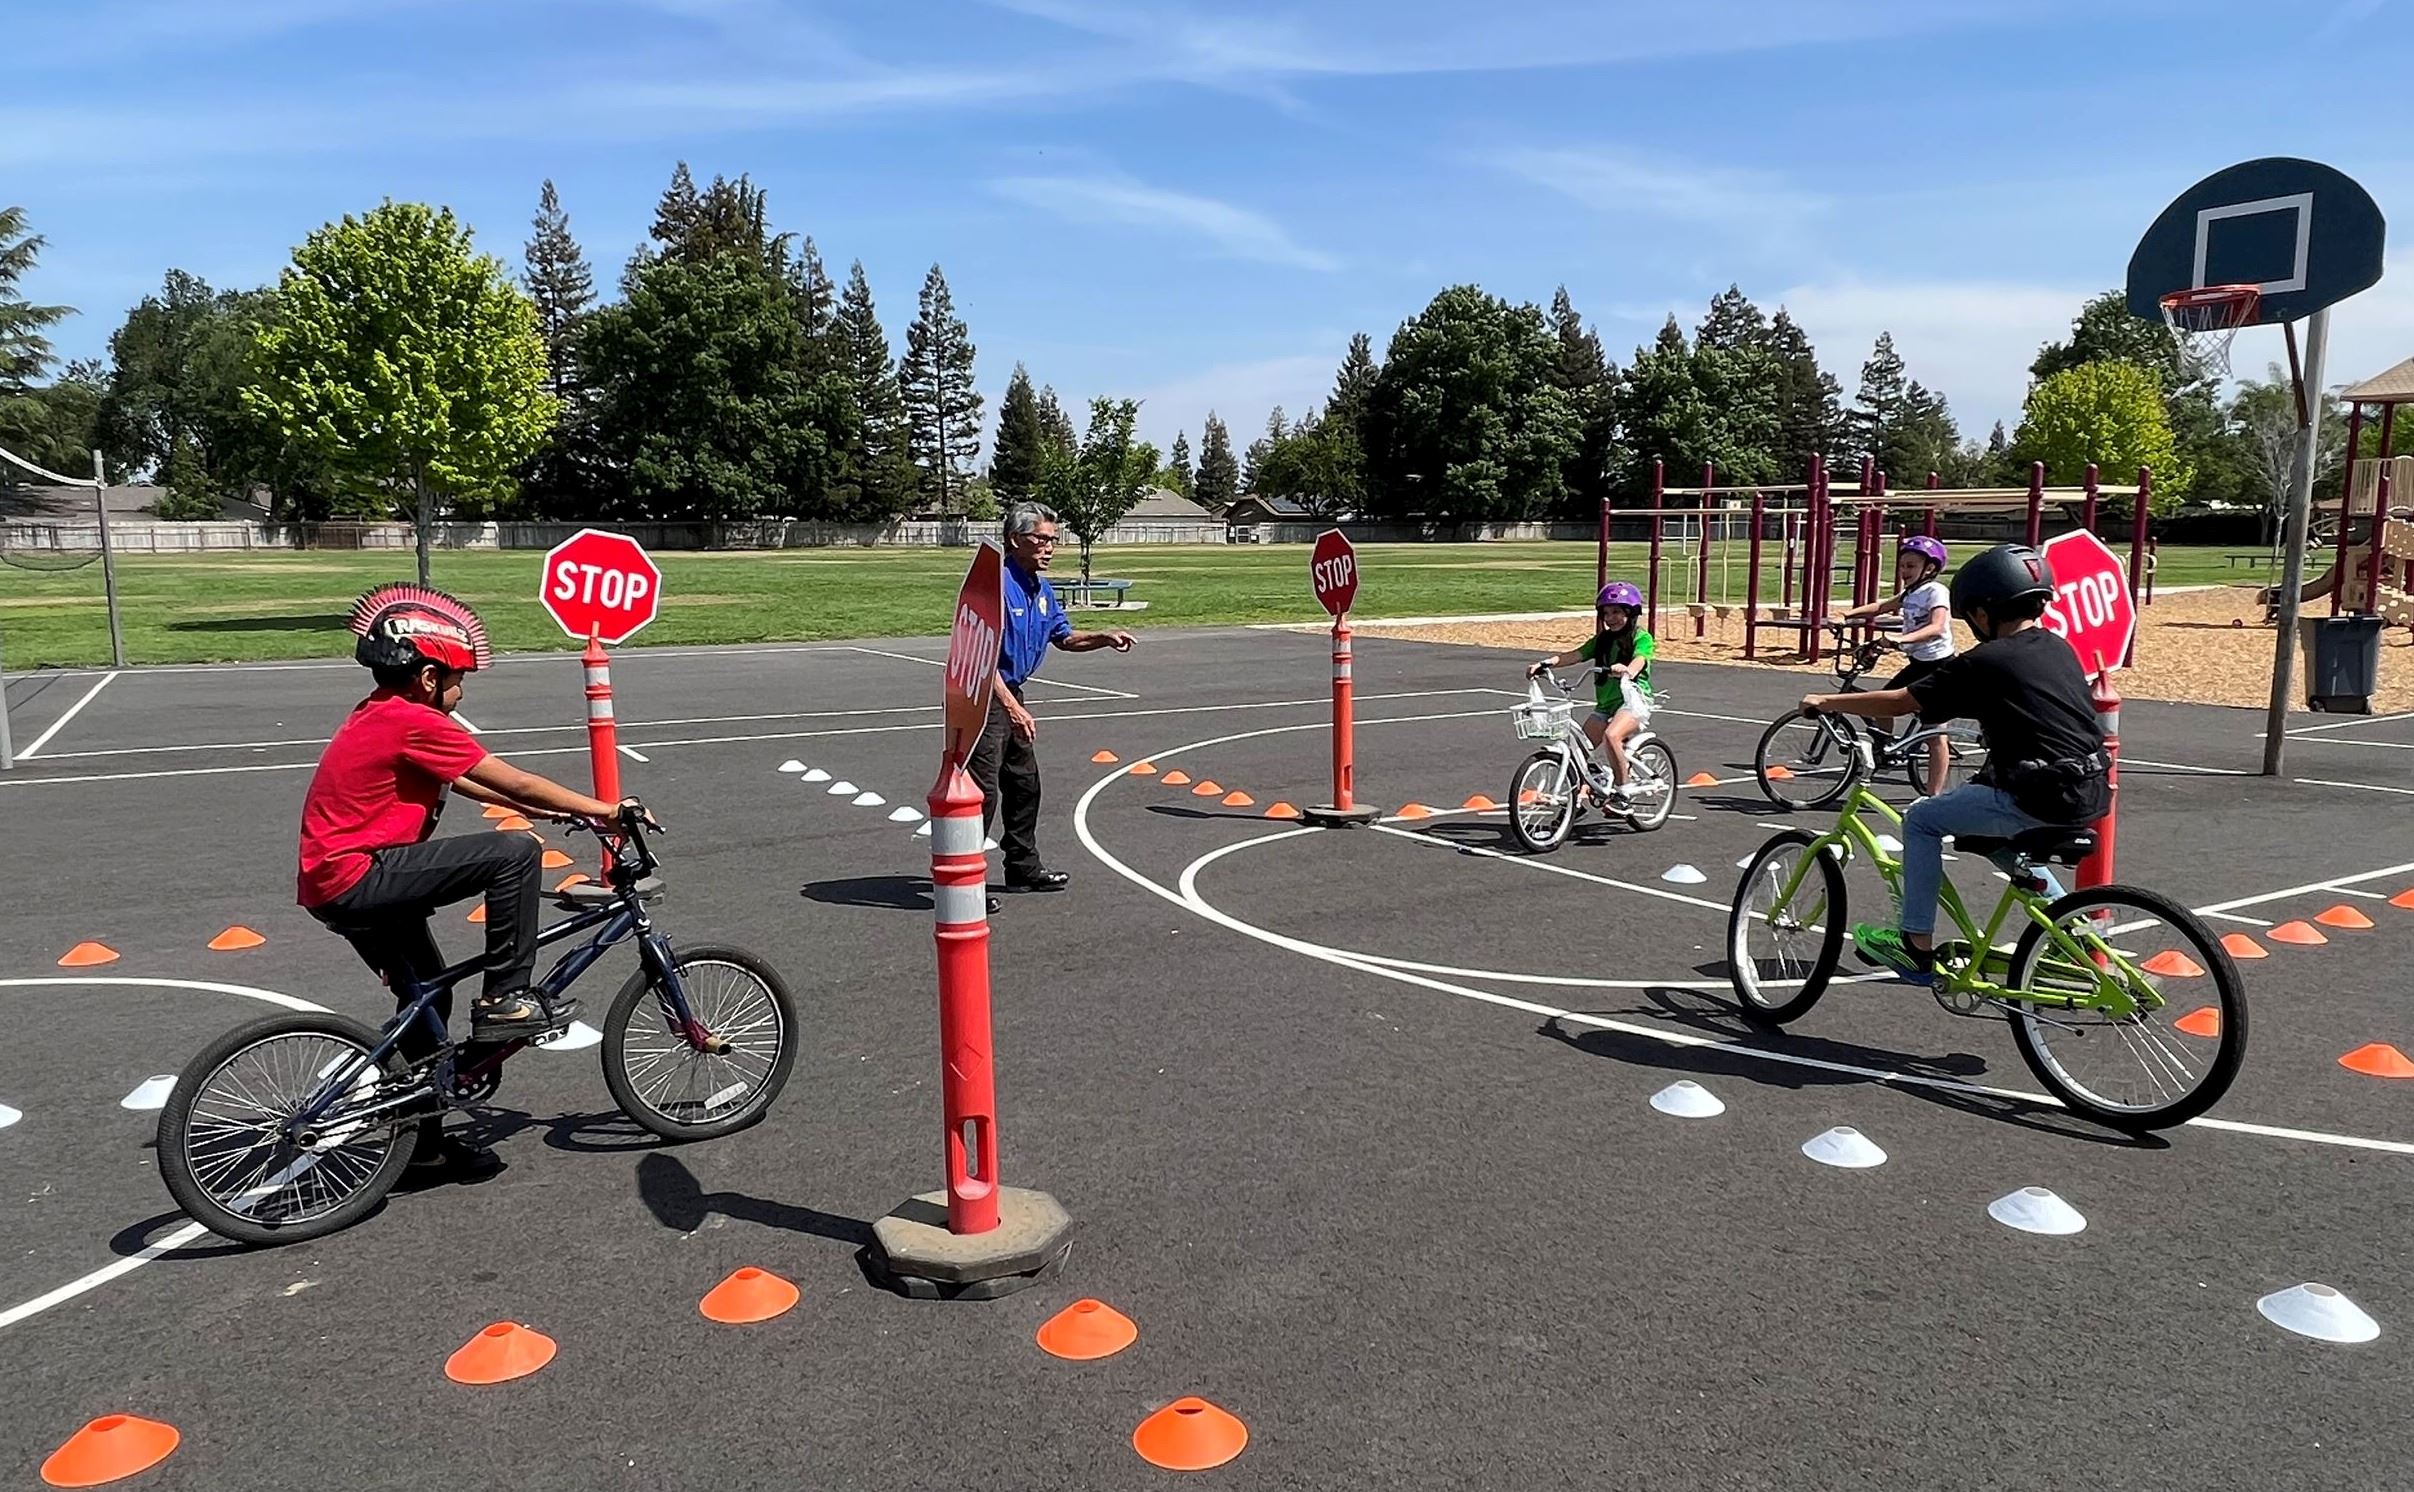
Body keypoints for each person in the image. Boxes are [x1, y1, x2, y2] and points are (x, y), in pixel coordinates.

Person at [298, 585, 648, 1174]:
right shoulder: (413, 720)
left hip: (337, 880)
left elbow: (464, 782)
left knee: (428, 999)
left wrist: (555, 812)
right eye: (461, 678)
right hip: (359, 874)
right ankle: (507, 998)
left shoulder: (381, 712)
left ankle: (424, 1147)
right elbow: (507, 778)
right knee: (511, 853)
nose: (464, 690)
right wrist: (603, 809)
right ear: (429, 677)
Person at [1797, 543, 2109, 988]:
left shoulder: (1987, 659)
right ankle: (2069, 930)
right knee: (1992, 832)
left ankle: (1914, 945)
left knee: (1923, 818)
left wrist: (1826, 700)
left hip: (2039, 794)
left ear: (1984, 612)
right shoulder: (2057, 647)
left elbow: (1904, 701)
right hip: (2088, 789)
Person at [969, 504, 1135, 893]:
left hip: (1012, 692)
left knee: (1025, 784)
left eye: (1053, 541)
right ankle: (966, 885)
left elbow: (1064, 637)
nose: (1049, 548)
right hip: (984, 696)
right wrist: (1011, 709)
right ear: (1015, 540)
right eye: (1041, 539)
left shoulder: (1041, 588)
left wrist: (1103, 638)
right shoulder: (992, 584)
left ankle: (1023, 868)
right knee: (982, 794)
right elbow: (978, 657)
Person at [1840, 535, 1956, 794]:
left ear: (1930, 568)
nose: (1905, 571)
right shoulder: (1911, 593)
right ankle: (1888, 748)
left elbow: (1937, 627)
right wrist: (1847, 615)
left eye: (1911, 566)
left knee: (1935, 734)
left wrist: (1899, 639)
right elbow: (1882, 606)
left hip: (1939, 667)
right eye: (1903, 566)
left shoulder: (1936, 591)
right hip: (1918, 663)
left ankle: (1932, 795)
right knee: (1883, 704)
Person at [1525, 581, 1656, 807]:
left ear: (1630, 613)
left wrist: (1628, 670)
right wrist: (1546, 663)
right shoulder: (1602, 640)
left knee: (1612, 736)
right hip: (1605, 705)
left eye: (1616, 612)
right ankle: (1575, 798)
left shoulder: (1641, 637)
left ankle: (1623, 792)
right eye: (1606, 612)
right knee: (1578, 748)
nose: (1610, 617)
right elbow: (1576, 654)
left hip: (1633, 702)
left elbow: (1641, 658)